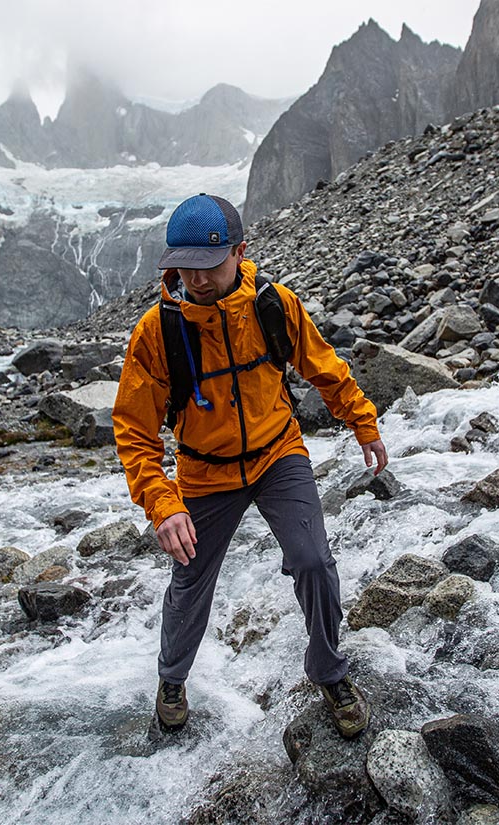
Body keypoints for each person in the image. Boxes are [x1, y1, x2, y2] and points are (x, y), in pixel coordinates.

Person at [112, 193, 388, 738]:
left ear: (240, 251)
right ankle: (172, 680)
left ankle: (330, 673)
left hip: (277, 453)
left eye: (208, 265)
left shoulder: (273, 305)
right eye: (183, 265)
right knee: (190, 581)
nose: (196, 278)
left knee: (313, 562)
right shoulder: (157, 331)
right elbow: (134, 431)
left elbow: (322, 365)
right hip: (203, 471)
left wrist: (363, 421)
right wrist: (163, 505)